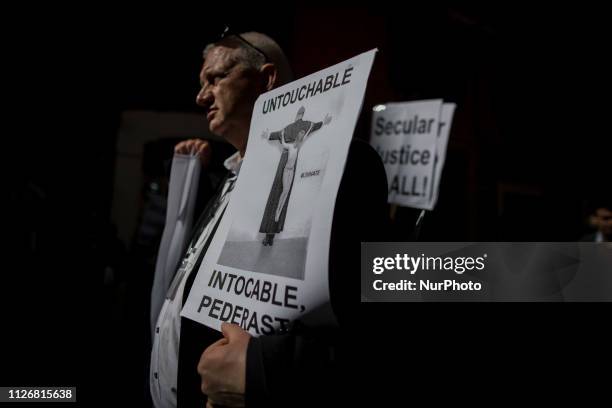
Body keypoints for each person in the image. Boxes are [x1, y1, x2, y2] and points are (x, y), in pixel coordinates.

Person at [150, 30, 388, 408]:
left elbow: (379, 329)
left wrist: (268, 369)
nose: (200, 96)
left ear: (267, 79)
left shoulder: (344, 168)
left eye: (216, 78)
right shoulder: (228, 179)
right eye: (201, 84)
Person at [259, 106, 332, 246]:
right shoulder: (306, 126)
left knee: (278, 193)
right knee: (283, 194)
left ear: (297, 115)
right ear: (303, 114)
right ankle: (271, 234)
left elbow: (274, 135)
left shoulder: (287, 128)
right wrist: (324, 121)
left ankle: (269, 235)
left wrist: (267, 135)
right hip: (291, 161)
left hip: (285, 159)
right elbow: (315, 126)